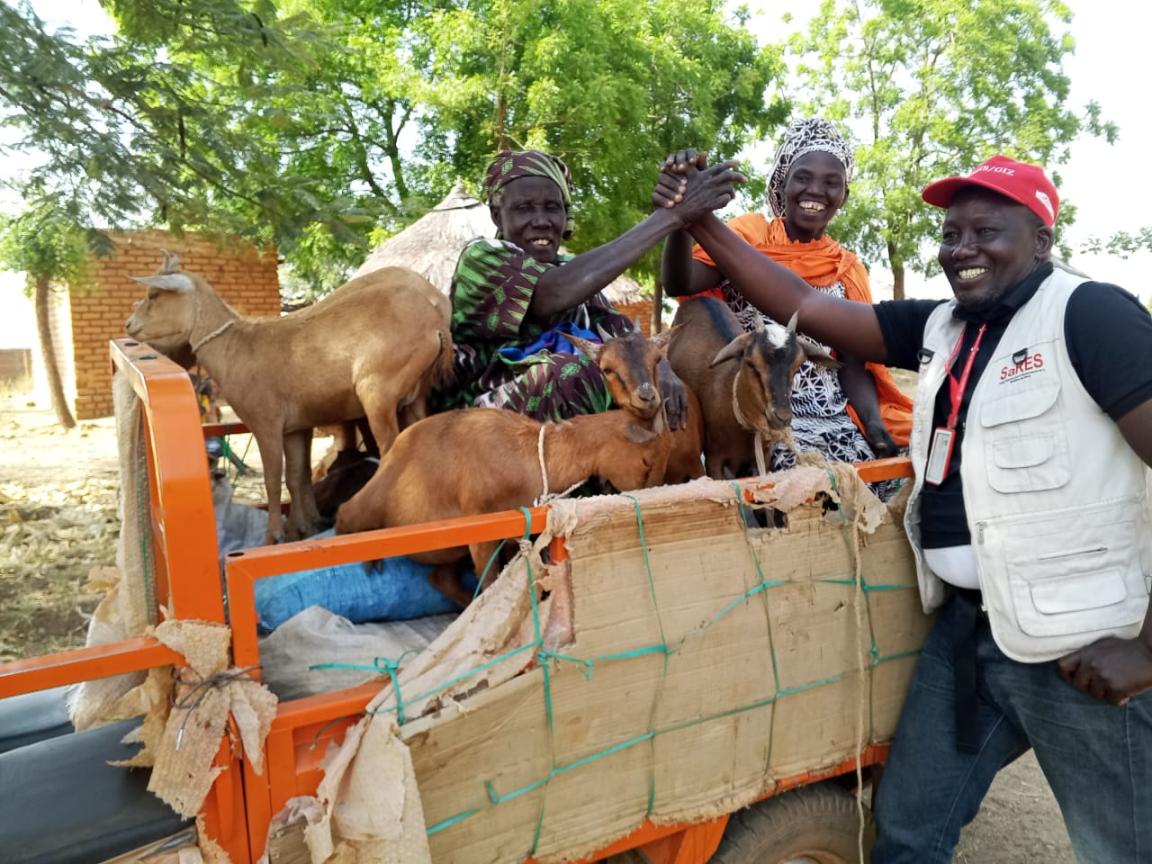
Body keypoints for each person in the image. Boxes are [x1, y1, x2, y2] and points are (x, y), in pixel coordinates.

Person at [655, 152, 1152, 861]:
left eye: (988, 231)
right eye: (952, 235)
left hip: (1079, 647)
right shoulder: (948, 325)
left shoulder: (1088, 314)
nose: (963, 250)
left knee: (1125, 847)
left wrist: (1147, 649)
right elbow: (804, 302)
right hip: (966, 637)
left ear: (1042, 239)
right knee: (907, 828)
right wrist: (698, 218)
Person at [661, 119, 912, 474]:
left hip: (832, 414)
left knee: (884, 475)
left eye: (832, 183)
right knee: (793, 478)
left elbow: (854, 365)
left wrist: (875, 430)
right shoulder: (748, 238)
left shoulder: (848, 269)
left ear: (844, 195)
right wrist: (684, 218)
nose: (816, 191)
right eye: (803, 177)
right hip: (752, 413)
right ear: (783, 182)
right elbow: (680, 282)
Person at [442, 149, 742, 423]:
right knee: (580, 374)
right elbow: (553, 293)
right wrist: (672, 215)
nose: (542, 220)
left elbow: (624, 335)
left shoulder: (568, 271)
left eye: (552, 208)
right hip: (476, 428)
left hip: (561, 439)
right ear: (498, 216)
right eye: (524, 208)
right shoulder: (483, 259)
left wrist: (660, 368)